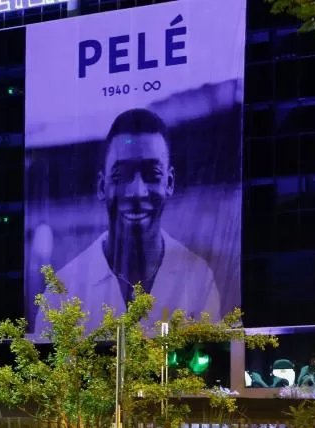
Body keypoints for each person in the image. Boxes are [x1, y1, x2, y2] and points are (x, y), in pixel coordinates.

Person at [33, 108, 220, 334]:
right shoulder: (63, 290)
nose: (137, 192)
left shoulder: (199, 279)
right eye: (121, 176)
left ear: (169, 183)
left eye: (152, 174)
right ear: (102, 186)